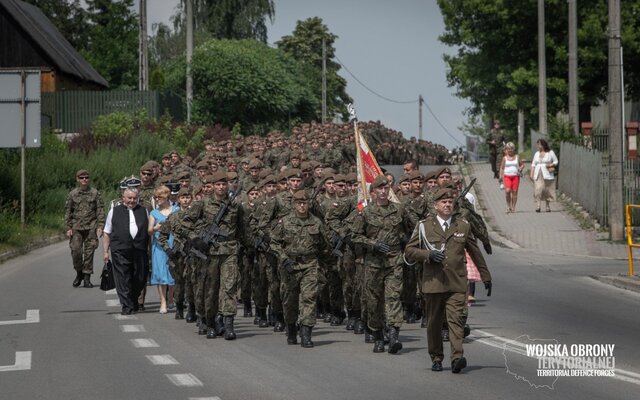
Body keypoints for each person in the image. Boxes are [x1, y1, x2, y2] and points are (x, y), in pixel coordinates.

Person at [404, 188, 492, 373]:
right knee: (434, 323)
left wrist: (485, 276)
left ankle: (457, 357)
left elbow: (475, 252)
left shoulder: (463, 225)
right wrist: (428, 254)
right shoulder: (424, 226)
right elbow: (409, 251)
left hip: (456, 282)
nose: (447, 204)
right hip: (434, 282)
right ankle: (436, 357)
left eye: (450, 202)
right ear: (436, 205)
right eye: (443, 202)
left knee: (456, 320)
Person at [351, 175, 413, 354]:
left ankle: (393, 336)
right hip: (373, 263)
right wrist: (373, 244)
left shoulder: (399, 210)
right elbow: (354, 235)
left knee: (393, 297)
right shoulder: (366, 212)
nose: (384, 192)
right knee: (374, 301)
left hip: (394, 260)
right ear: (373, 192)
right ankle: (378, 335)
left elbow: (411, 229)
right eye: (380, 189)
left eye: (386, 188)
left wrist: (407, 245)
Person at [271, 190, 329, 347]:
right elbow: (274, 243)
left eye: (304, 203)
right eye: (299, 203)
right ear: (294, 204)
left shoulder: (317, 222)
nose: (302, 206)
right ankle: (290, 328)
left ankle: (306, 333)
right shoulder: (284, 222)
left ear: (309, 204)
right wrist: (283, 259)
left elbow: (325, 245)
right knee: (289, 301)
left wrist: (322, 263)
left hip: (310, 265)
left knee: (309, 298)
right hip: (290, 265)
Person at [102, 188, 150, 315]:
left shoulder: (144, 211)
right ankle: (126, 305)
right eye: (129, 198)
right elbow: (106, 233)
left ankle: (133, 300)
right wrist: (105, 252)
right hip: (120, 249)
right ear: (123, 198)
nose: (132, 201)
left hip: (140, 249)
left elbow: (149, 232)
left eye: (134, 198)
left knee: (140, 277)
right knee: (123, 277)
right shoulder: (114, 211)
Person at [64, 169, 105, 288]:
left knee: (89, 252)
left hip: (91, 227)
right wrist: (68, 227)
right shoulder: (73, 194)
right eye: (81, 178)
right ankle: (79, 273)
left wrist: (101, 225)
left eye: (86, 177)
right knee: (76, 251)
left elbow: (100, 210)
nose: (84, 180)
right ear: (77, 179)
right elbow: (68, 211)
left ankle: (87, 278)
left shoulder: (95, 193)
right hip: (76, 227)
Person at [148, 185, 179, 314]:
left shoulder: (176, 210)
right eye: (156, 197)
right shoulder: (154, 213)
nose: (157, 199)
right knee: (160, 273)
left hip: (173, 244)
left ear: (166, 197)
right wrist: (155, 228)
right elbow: (149, 230)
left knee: (172, 272)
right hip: (159, 246)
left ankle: (171, 297)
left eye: (160, 197)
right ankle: (163, 301)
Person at [530, 138, 558, 212]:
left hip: (547, 174)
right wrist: (531, 174)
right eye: (538, 144)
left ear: (543, 145)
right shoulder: (536, 153)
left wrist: (551, 164)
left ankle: (547, 206)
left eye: (539, 144)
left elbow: (556, 161)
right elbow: (533, 164)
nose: (538, 146)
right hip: (538, 173)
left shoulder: (550, 152)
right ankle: (538, 206)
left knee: (547, 190)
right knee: (538, 189)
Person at [499, 142, 525, 213]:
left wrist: (520, 168)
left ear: (514, 149)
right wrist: (500, 176)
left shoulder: (517, 157)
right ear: (506, 149)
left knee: (515, 192)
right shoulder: (505, 158)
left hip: (515, 176)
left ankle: (513, 207)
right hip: (507, 176)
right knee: (507, 191)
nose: (510, 150)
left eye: (511, 149)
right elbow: (502, 168)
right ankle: (508, 206)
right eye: (509, 149)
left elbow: (522, 165)